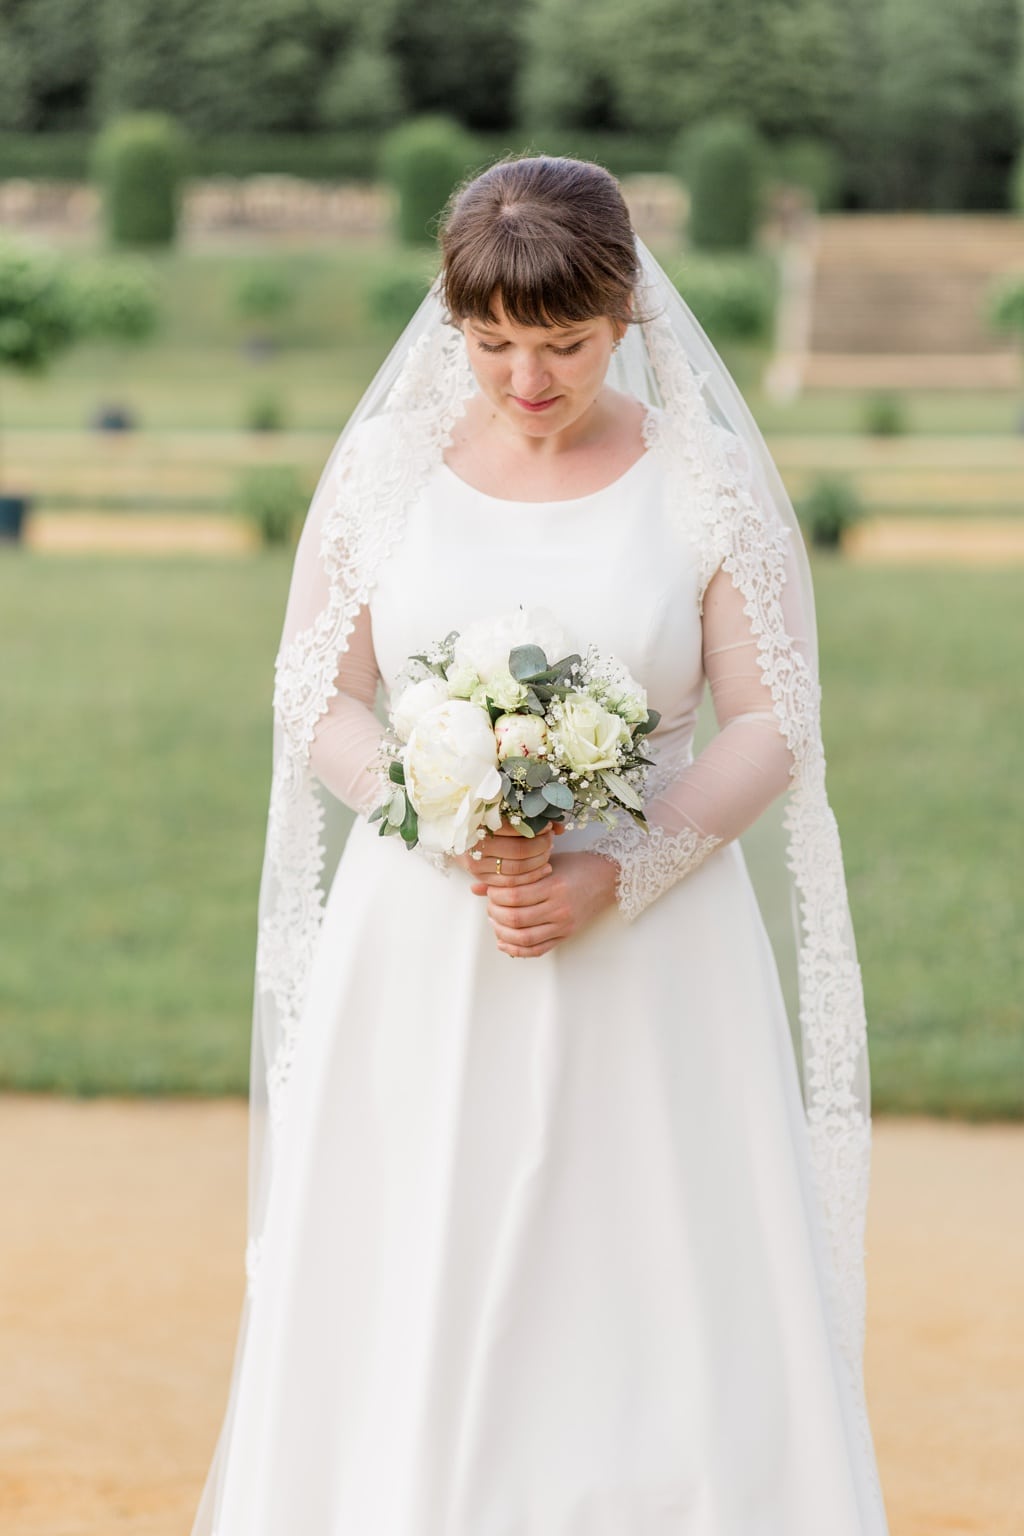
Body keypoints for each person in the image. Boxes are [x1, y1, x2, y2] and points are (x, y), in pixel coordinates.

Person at [193, 156, 888, 1534]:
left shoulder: (701, 483)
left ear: (624, 313)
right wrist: (432, 805)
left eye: (562, 344)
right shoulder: (391, 472)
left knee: (649, 1270)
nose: (524, 376)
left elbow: (769, 721)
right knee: (422, 1252)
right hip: (425, 943)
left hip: (654, 946)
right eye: (492, 342)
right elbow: (317, 695)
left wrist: (621, 871)